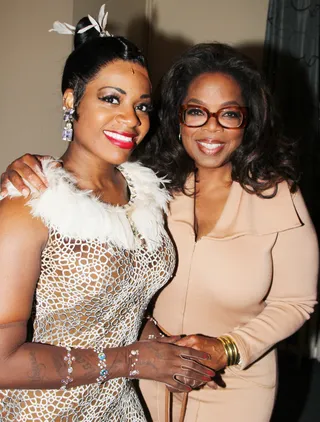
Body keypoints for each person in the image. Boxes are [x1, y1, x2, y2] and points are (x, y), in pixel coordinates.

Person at [1, 42, 318, 422]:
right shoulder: (156, 185)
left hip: (227, 382)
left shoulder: (270, 194)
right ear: (178, 118)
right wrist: (26, 169)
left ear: (248, 120)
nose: (212, 127)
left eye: (230, 114)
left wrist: (225, 349)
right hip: (130, 387)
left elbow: (296, 300)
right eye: (196, 112)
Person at [0, 8, 215, 422]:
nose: (131, 120)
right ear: (70, 99)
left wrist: (166, 351)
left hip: (118, 406)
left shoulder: (143, 195)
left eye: (143, 106)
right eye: (111, 98)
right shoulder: (30, 202)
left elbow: (119, 306)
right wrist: (133, 361)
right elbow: (3, 362)